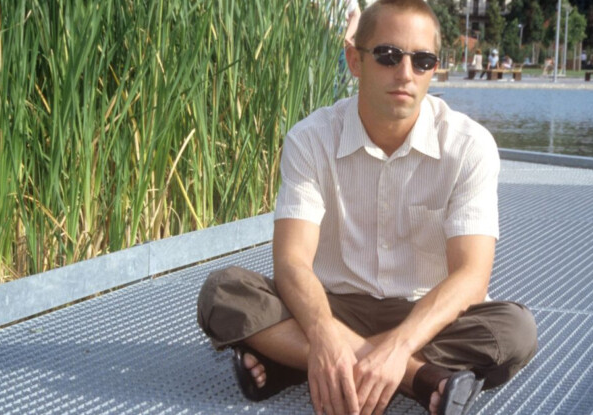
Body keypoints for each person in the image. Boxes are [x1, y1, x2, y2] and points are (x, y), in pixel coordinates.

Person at [196, 1, 538, 415]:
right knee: (223, 292)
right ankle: (420, 379)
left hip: (425, 316)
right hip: (332, 304)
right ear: (354, 60)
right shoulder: (310, 139)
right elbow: (291, 262)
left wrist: (398, 346)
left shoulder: (469, 146)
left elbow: (470, 276)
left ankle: (296, 363)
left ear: (434, 68)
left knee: (515, 331)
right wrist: (323, 333)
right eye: (388, 55)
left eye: (422, 60)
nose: (406, 73)